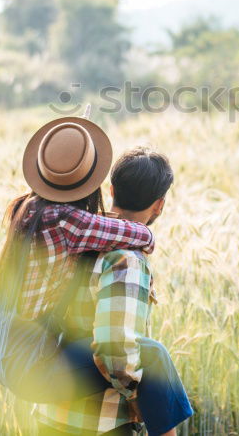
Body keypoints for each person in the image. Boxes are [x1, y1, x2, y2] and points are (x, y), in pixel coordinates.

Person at [33, 147, 193, 436]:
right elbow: (115, 348)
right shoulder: (127, 259)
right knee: (155, 354)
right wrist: (141, 401)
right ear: (159, 205)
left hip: (51, 413)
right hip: (99, 424)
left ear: (111, 190)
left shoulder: (75, 239)